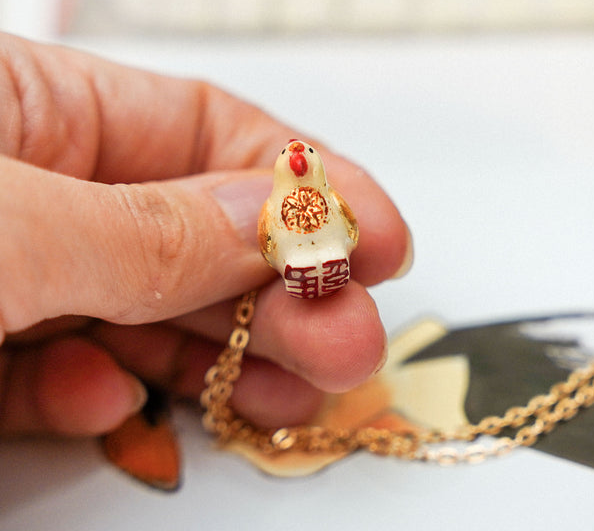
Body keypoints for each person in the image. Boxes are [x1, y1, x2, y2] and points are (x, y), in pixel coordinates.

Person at [0, 32, 412, 437]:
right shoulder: (271, 205)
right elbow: (270, 238)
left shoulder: (328, 198)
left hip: (327, 253)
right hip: (298, 260)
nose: (299, 162)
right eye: (293, 158)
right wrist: (268, 247)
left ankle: (321, 266)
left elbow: (348, 225)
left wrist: (340, 239)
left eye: (305, 158)